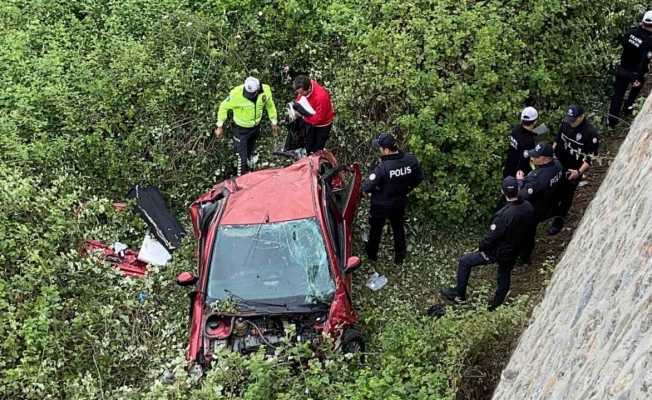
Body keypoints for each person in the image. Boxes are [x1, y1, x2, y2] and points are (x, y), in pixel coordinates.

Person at [440, 177, 536, 310]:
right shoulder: (528, 206)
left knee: (465, 261)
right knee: (504, 274)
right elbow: (531, 229)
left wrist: (481, 247)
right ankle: (496, 304)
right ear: (518, 189)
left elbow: (491, 238)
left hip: (499, 251)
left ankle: (459, 293)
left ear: (502, 191)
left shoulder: (503, 215)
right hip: (516, 248)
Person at [362, 133, 423, 265]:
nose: (379, 150)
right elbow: (419, 178)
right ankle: (400, 257)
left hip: (380, 205)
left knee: (375, 230)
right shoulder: (411, 160)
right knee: (398, 228)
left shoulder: (382, 168)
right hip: (399, 202)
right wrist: (407, 189)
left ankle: (372, 255)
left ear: (387, 150)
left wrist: (369, 193)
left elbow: (367, 187)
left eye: (380, 148)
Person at [548, 105, 599, 235]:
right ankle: (551, 210)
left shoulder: (590, 133)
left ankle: (559, 219)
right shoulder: (565, 123)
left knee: (567, 194)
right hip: (558, 162)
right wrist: (552, 156)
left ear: (582, 117)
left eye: (574, 120)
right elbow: (557, 140)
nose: (571, 122)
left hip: (573, 168)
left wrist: (579, 172)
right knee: (554, 188)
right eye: (569, 119)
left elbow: (589, 159)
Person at [214, 76, 279, 175]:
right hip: (241, 130)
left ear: (257, 90)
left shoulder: (265, 91)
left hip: (255, 127)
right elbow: (223, 107)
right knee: (242, 158)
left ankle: (251, 174)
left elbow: (270, 106)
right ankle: (241, 179)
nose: (248, 96)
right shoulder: (236, 94)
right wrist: (220, 125)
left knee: (251, 152)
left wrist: (274, 122)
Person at [515, 143, 562, 264]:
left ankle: (524, 258)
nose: (532, 158)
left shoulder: (536, 179)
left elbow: (521, 196)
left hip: (534, 209)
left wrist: (520, 182)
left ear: (544, 159)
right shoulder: (557, 165)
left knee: (527, 234)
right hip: (549, 204)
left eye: (536, 156)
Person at [607, 11, 652, 128]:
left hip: (622, 69)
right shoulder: (649, 42)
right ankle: (627, 109)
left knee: (617, 96)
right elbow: (644, 61)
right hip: (635, 73)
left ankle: (611, 122)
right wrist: (637, 78)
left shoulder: (630, 32)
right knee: (634, 91)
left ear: (643, 22)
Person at [289, 75, 335, 154]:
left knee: (317, 149)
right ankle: (308, 154)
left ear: (309, 88)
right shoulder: (307, 85)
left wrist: (302, 116)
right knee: (308, 145)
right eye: (298, 92)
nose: (300, 94)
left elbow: (318, 119)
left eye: (301, 92)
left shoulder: (321, 97)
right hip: (310, 117)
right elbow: (300, 98)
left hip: (322, 125)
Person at [503, 106, 539, 178]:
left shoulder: (515, 129)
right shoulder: (529, 141)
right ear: (535, 122)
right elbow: (526, 160)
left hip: (508, 168)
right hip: (519, 175)